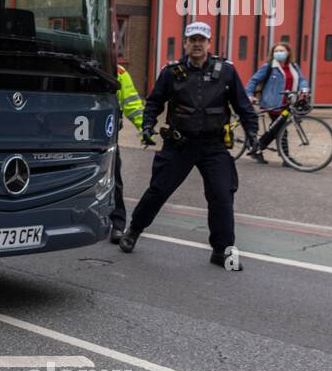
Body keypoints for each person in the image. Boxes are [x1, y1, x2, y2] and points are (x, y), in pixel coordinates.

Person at [118, 21, 259, 269]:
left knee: (222, 196)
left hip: (213, 146)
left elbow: (243, 106)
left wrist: (253, 134)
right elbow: (154, 103)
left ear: (208, 43)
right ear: (185, 43)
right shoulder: (171, 73)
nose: (196, 44)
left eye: (201, 40)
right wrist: (147, 127)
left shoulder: (225, 71)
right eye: (192, 40)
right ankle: (133, 230)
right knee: (158, 190)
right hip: (179, 144)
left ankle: (223, 253)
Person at [245, 42, 310, 165]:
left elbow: (301, 80)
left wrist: (304, 88)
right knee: (281, 129)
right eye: (276, 51)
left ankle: (257, 148)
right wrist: (248, 94)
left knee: (275, 128)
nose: (278, 53)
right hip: (272, 102)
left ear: (288, 52)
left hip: (289, 103)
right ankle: (286, 159)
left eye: (282, 50)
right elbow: (254, 80)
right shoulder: (269, 66)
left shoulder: (294, 66)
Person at [108, 63, 145, 244]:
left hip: (107, 136)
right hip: (75, 133)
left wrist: (145, 128)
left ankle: (117, 224)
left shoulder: (120, 72)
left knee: (114, 179)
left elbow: (132, 104)